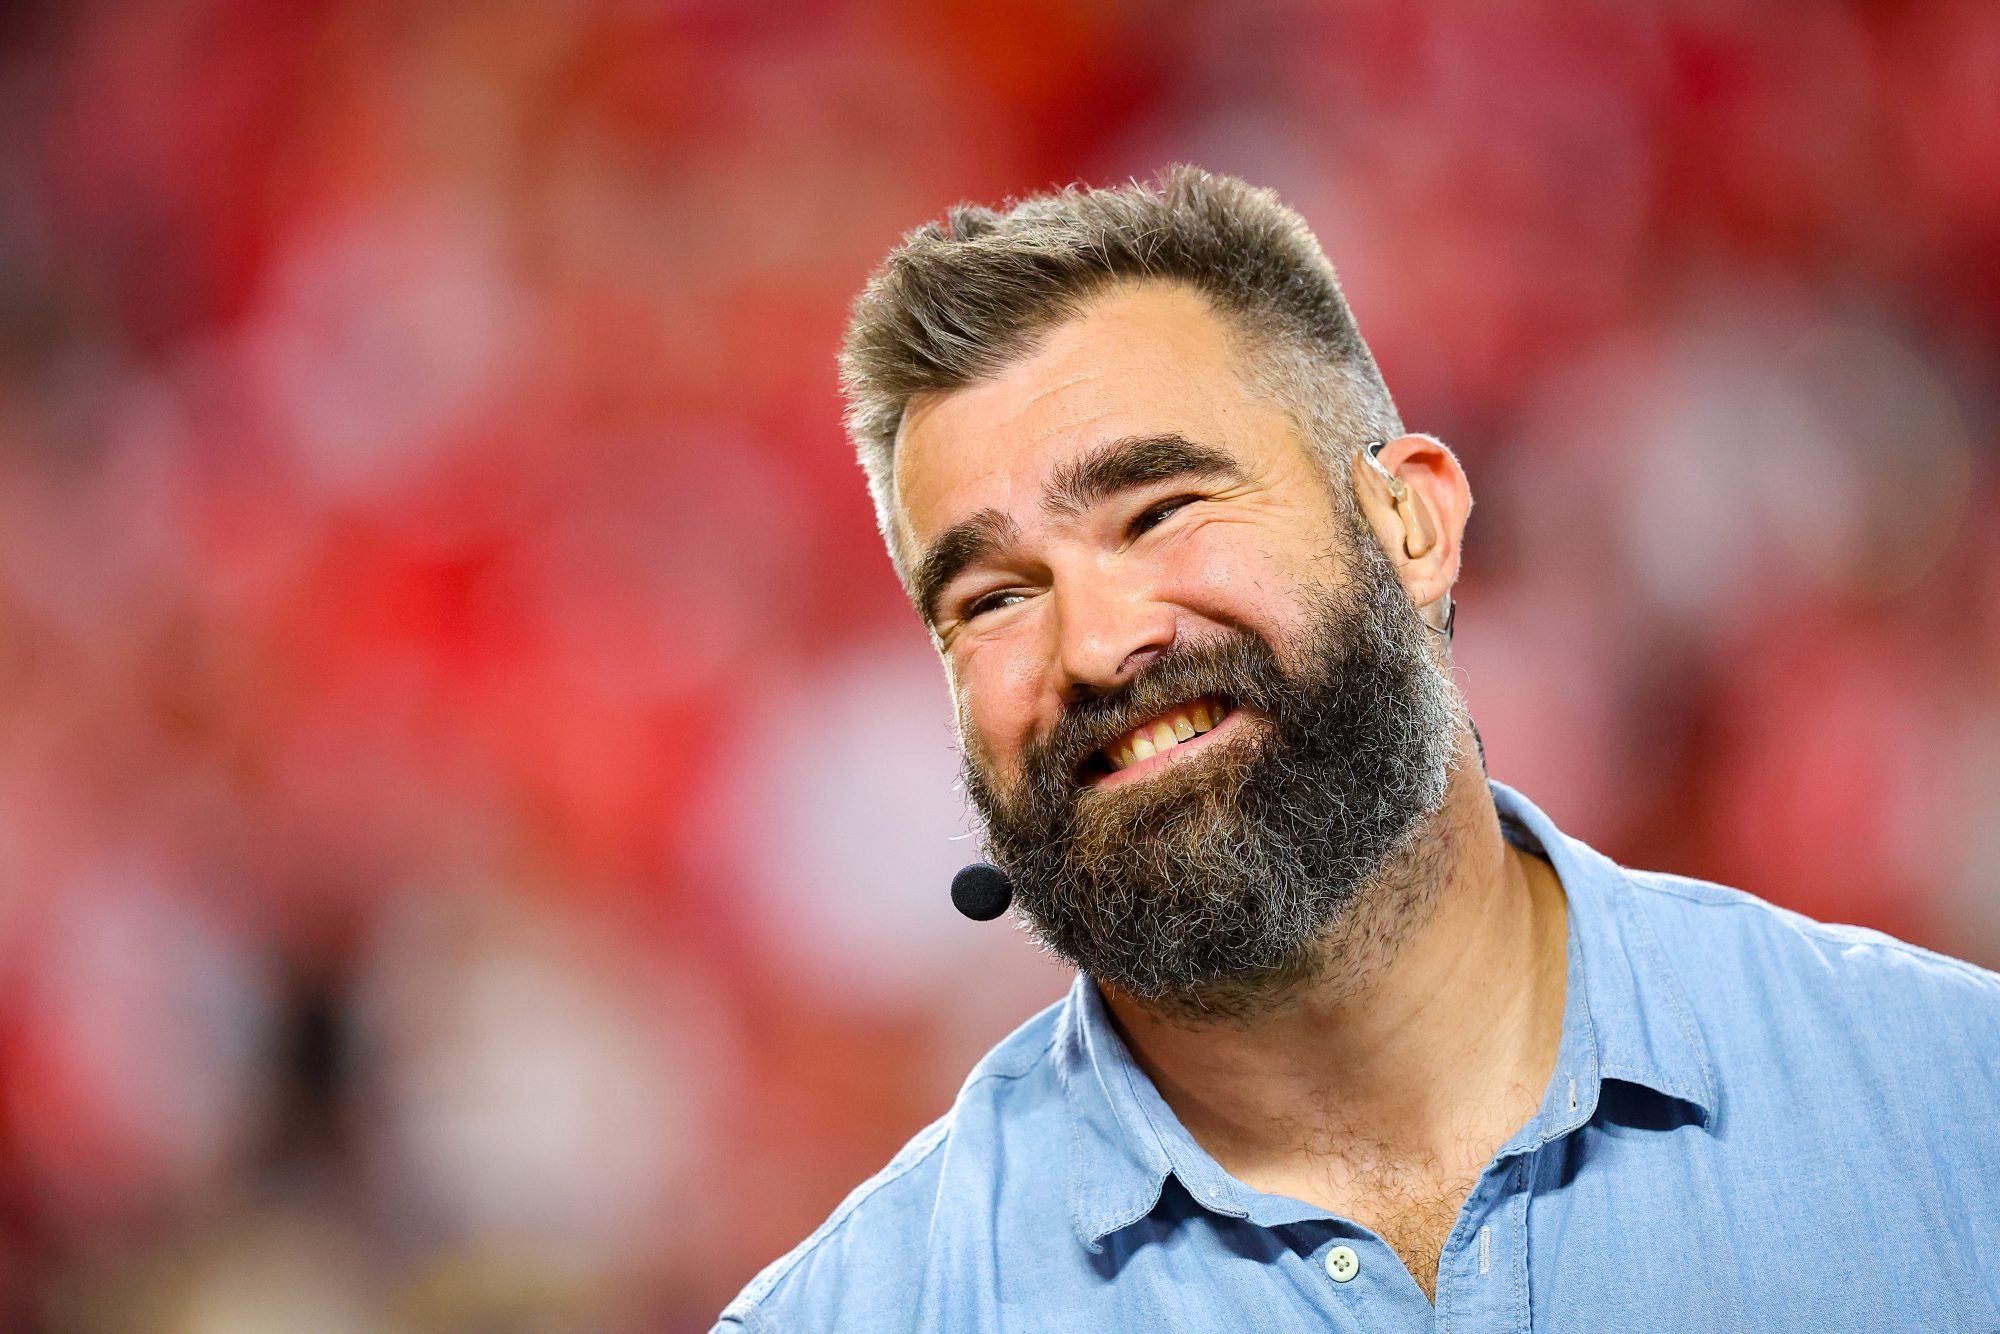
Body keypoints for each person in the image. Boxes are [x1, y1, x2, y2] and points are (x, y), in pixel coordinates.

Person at [714, 167, 2000, 1331]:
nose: (1097, 644)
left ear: (1411, 523)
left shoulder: (1953, 1105)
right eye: (991, 596)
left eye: (1159, 509)